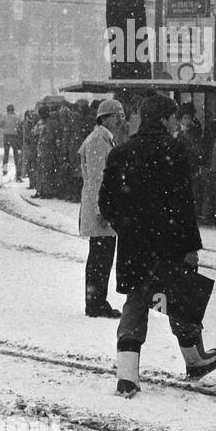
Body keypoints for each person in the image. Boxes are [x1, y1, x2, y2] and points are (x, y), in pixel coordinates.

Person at [99, 94, 216, 398]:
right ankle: (195, 360)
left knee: (137, 303)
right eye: (174, 118)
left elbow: (107, 202)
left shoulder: (121, 153)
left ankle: (127, 375)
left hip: (134, 244)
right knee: (179, 299)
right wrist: (190, 245)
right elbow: (183, 203)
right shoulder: (175, 151)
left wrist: (126, 226)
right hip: (169, 242)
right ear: (165, 119)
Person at [78, 99, 125, 318]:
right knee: (100, 258)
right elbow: (97, 179)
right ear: (106, 117)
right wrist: (102, 210)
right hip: (101, 211)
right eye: (118, 116)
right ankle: (95, 304)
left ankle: (97, 301)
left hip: (103, 208)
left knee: (101, 257)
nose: (120, 120)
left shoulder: (103, 139)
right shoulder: (98, 140)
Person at [0, 104, 23, 179]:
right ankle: (17, 171)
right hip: (14, 137)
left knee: (6, 154)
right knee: (16, 154)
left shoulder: (4, 117)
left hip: (6, 137)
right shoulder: (17, 117)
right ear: (13, 110)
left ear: (7, 110)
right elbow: (21, 124)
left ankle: (5, 170)